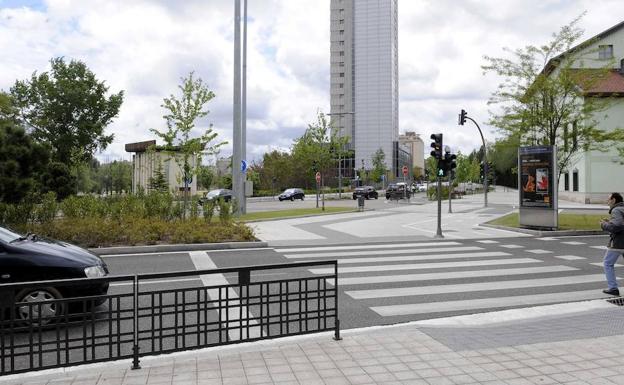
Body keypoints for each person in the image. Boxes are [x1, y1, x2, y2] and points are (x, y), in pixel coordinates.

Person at [600, 192, 624, 296]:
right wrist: (610, 222)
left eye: (608, 199)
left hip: (618, 242)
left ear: (614, 200)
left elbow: (617, 227)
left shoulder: (616, 210)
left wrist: (604, 224)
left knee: (607, 263)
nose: (607, 201)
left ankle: (613, 288)